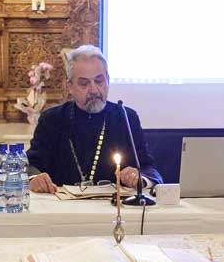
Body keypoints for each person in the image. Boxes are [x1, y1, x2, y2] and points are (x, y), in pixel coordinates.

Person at [25, 45, 160, 193]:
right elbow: (30, 165)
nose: (94, 90)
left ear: (108, 80)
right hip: (63, 209)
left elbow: (149, 169)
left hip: (114, 209)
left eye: (99, 81)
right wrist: (35, 177)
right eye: (84, 83)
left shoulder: (126, 118)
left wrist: (139, 178)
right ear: (70, 86)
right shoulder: (52, 120)